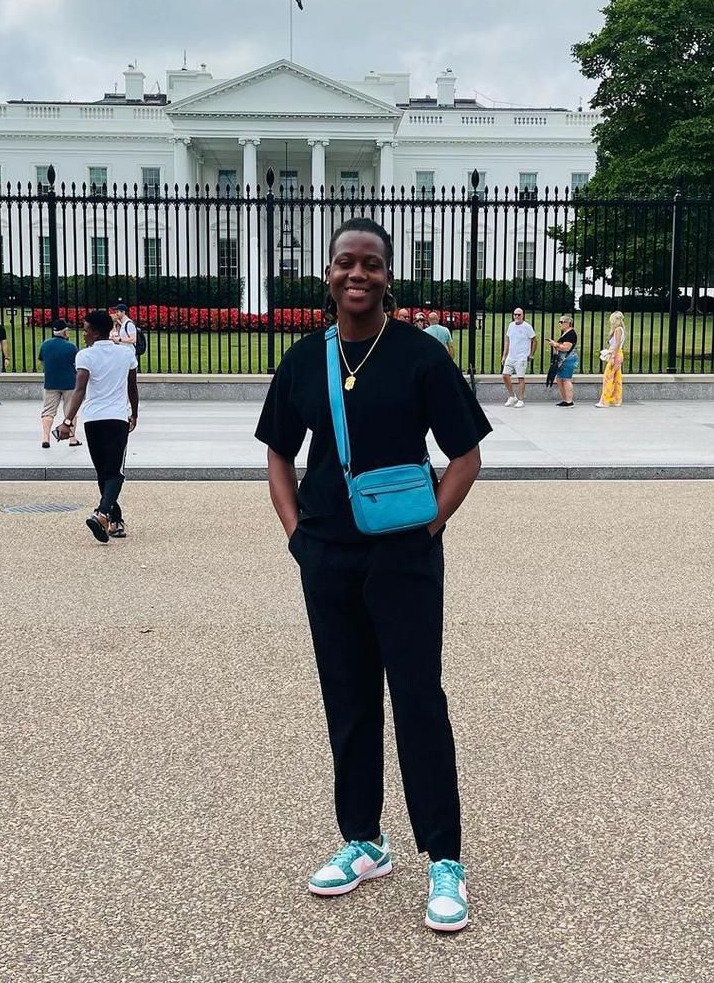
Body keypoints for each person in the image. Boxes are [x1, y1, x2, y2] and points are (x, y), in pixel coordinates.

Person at [256, 217, 491, 933]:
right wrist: (298, 537)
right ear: (326, 275)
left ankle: (443, 857)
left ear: (388, 276)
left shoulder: (420, 356)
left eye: (371, 265)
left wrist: (428, 527)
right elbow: (277, 454)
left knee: (419, 699)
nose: (357, 275)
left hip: (403, 557)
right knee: (348, 699)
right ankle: (364, 839)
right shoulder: (302, 360)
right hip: (327, 552)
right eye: (345, 263)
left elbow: (466, 456)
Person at [57, 310, 138, 542]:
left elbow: (80, 389)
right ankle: (104, 514)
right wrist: (135, 412)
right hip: (117, 419)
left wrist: (67, 421)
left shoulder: (85, 356)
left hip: (94, 419)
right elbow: (133, 387)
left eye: (85, 330)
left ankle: (112, 517)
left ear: (95, 332)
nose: (83, 334)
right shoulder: (125, 354)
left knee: (104, 471)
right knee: (114, 471)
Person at [38, 319, 82, 449]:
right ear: (64, 332)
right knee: (70, 412)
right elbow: (77, 365)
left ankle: (45, 438)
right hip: (69, 383)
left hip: (51, 382)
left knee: (48, 412)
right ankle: (72, 438)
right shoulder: (71, 347)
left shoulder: (45, 345)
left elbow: (41, 361)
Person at [501, 307, 536, 408]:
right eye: (515, 314)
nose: (516, 316)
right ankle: (512, 396)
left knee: (520, 378)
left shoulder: (527, 327)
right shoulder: (511, 325)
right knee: (505, 375)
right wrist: (504, 355)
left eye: (519, 314)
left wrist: (531, 354)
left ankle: (521, 399)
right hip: (511, 356)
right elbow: (507, 340)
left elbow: (534, 340)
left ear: (523, 315)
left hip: (521, 356)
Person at [545, 315, 579, 407]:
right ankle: (565, 400)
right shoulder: (566, 333)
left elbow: (566, 348)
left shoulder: (571, 334)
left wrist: (555, 344)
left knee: (566, 379)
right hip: (563, 359)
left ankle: (569, 401)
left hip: (567, 359)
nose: (560, 324)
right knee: (560, 379)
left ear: (568, 323)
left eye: (562, 322)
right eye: (559, 322)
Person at [597, 310, 627, 408]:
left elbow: (617, 344)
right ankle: (615, 399)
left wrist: (613, 356)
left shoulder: (618, 329)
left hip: (616, 354)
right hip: (618, 353)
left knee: (608, 377)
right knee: (616, 377)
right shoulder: (621, 329)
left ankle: (605, 401)